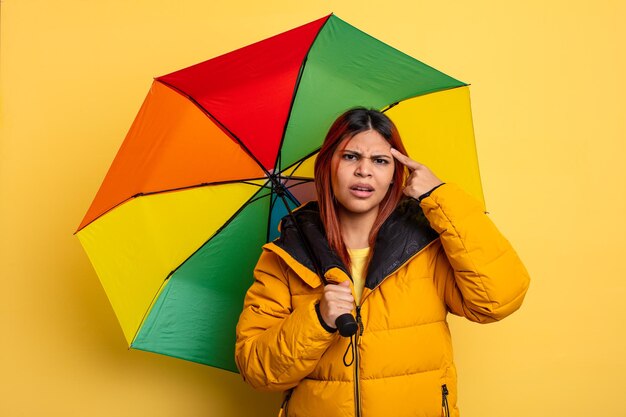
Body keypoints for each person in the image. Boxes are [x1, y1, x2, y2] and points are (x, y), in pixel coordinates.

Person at [235, 107, 530, 417]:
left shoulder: (428, 244)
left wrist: (439, 196)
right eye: (350, 157)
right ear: (328, 166)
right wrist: (318, 319)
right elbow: (257, 371)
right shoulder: (286, 255)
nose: (364, 171)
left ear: (395, 174)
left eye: (380, 160)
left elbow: (498, 299)